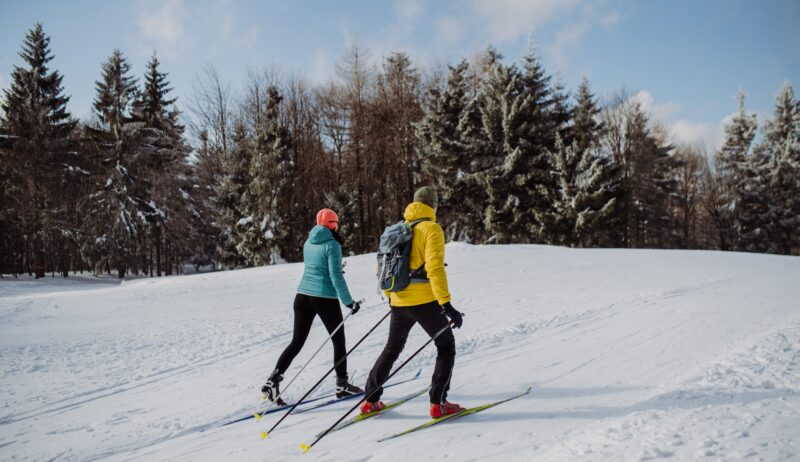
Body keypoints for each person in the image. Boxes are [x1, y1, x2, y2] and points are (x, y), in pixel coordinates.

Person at [361, 186, 465, 418]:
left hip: (398, 300)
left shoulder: (399, 229)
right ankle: (438, 403)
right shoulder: (432, 229)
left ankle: (370, 400)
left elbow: (382, 267)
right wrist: (446, 305)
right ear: (433, 206)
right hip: (424, 301)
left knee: (392, 349)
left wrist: (391, 296)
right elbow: (435, 268)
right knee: (446, 346)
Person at [261, 208, 363, 405]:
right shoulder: (332, 245)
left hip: (302, 296)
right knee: (338, 342)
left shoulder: (309, 241)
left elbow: (318, 268)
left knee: (296, 342)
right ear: (334, 225)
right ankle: (342, 386)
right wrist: (349, 302)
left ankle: (272, 381)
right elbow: (335, 277)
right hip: (324, 298)